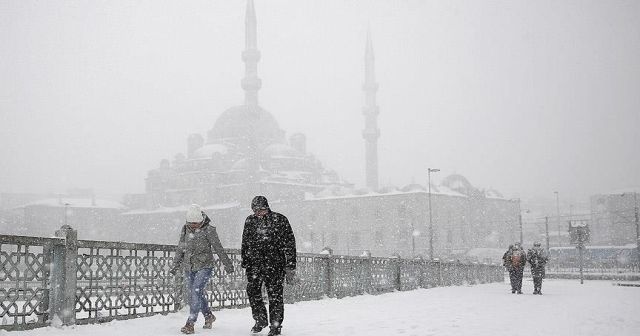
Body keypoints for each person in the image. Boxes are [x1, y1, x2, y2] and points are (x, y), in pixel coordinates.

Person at [170, 204, 234, 334]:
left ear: (201, 221)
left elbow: (218, 247)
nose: (193, 226)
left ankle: (190, 323)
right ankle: (208, 315)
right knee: (196, 293)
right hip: (189, 266)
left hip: (205, 266)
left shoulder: (209, 230)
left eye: (196, 223)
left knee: (195, 291)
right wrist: (175, 264)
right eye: (191, 223)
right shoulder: (185, 229)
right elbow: (180, 247)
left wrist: (227, 264)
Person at [241, 196, 297, 336]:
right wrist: (245, 261)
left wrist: (290, 264)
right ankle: (260, 320)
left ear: (267, 207)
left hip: (275, 264)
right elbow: (245, 242)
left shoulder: (280, 219)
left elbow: (289, 243)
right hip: (254, 264)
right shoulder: (250, 221)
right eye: (255, 210)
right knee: (253, 292)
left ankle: (275, 325)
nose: (258, 213)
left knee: (275, 295)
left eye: (261, 209)